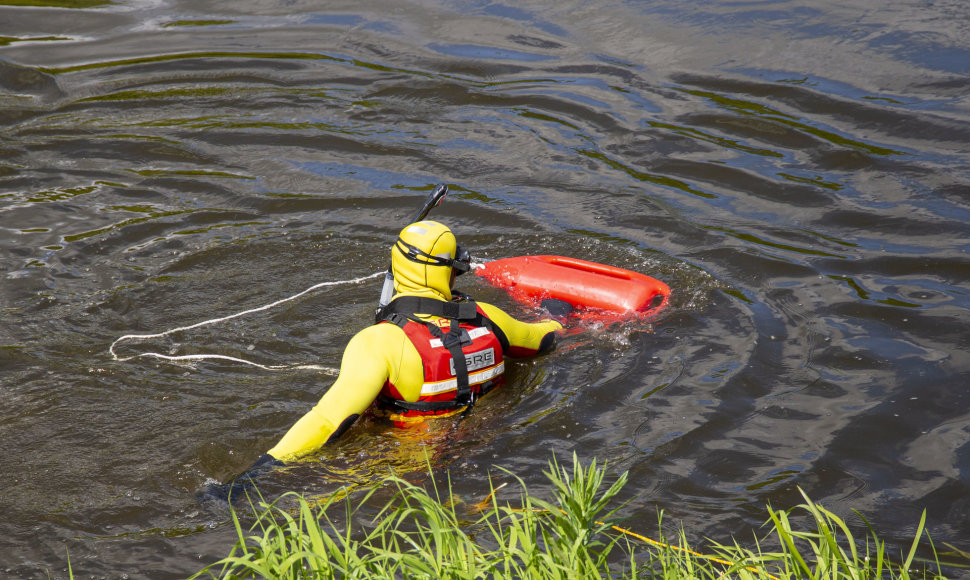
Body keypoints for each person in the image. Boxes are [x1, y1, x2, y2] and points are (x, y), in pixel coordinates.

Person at [236, 220, 573, 479]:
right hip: (488, 451)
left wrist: (254, 475)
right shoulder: (489, 319)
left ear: (396, 266)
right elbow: (546, 339)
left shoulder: (379, 342)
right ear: (452, 271)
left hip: (405, 468)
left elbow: (327, 421)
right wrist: (557, 312)